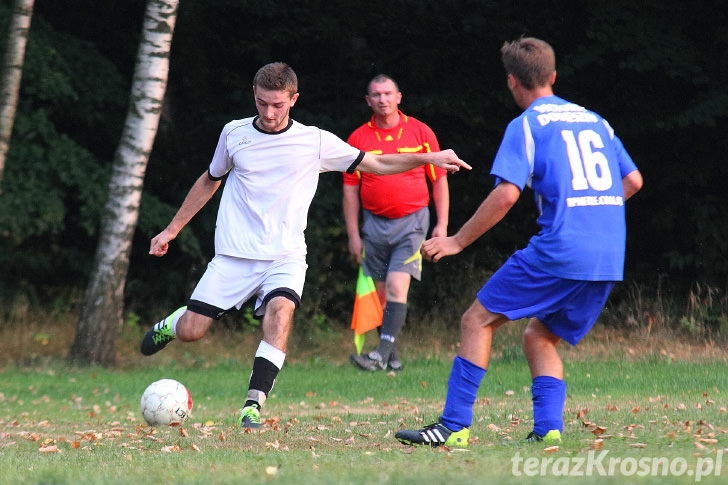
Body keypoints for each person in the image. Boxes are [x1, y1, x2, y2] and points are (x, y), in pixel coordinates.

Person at [139, 62, 469, 430]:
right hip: (233, 256)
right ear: (254, 94)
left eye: (278, 105)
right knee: (191, 331)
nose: (268, 112)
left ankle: (252, 405)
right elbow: (209, 180)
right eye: (262, 103)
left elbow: (376, 163)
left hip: (285, 256)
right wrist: (171, 230)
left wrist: (430, 158)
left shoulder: (315, 141)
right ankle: (173, 323)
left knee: (280, 313)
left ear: (294, 100)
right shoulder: (234, 134)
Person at [394, 37, 643, 448]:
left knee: (477, 320)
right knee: (539, 335)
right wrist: (593, 209)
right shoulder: (595, 120)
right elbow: (633, 181)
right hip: (608, 254)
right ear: (553, 76)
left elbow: (506, 194)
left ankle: (453, 426)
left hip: (562, 249)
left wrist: (456, 240)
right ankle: (548, 430)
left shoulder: (527, 124)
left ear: (512, 81)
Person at [345, 74, 449, 373]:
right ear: (368, 100)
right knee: (379, 293)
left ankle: (378, 356)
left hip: (413, 222)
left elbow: (439, 181)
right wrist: (353, 234)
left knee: (395, 284)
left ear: (399, 97)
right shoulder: (357, 138)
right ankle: (391, 356)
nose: (382, 99)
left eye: (388, 93)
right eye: (376, 95)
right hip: (373, 225)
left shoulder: (420, 132)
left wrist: (441, 225)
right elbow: (350, 190)